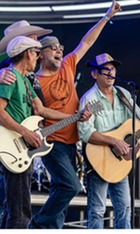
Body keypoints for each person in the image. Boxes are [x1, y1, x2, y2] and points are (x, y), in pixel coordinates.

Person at [27, 0, 122, 229]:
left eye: (61, 47)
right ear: (41, 55)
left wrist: (107, 17)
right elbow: (35, 113)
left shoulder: (68, 64)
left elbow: (87, 42)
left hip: (71, 141)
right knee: (70, 186)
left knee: (61, 190)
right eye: (54, 48)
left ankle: (51, 230)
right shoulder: (34, 80)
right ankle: (36, 225)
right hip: (51, 142)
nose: (60, 50)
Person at [0, 36, 91, 229]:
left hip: (23, 148)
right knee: (18, 210)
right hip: (13, 145)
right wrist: (25, 132)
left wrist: (75, 116)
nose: (37, 57)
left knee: (19, 207)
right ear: (27, 53)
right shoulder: (10, 76)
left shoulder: (25, 81)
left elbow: (41, 111)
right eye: (36, 53)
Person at [77, 52, 140, 229]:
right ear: (94, 74)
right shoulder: (92, 100)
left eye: (112, 69)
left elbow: (137, 122)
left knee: (125, 209)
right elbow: (85, 132)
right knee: (97, 210)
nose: (110, 73)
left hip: (119, 161)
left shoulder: (124, 95)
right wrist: (113, 141)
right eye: (105, 69)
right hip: (99, 160)